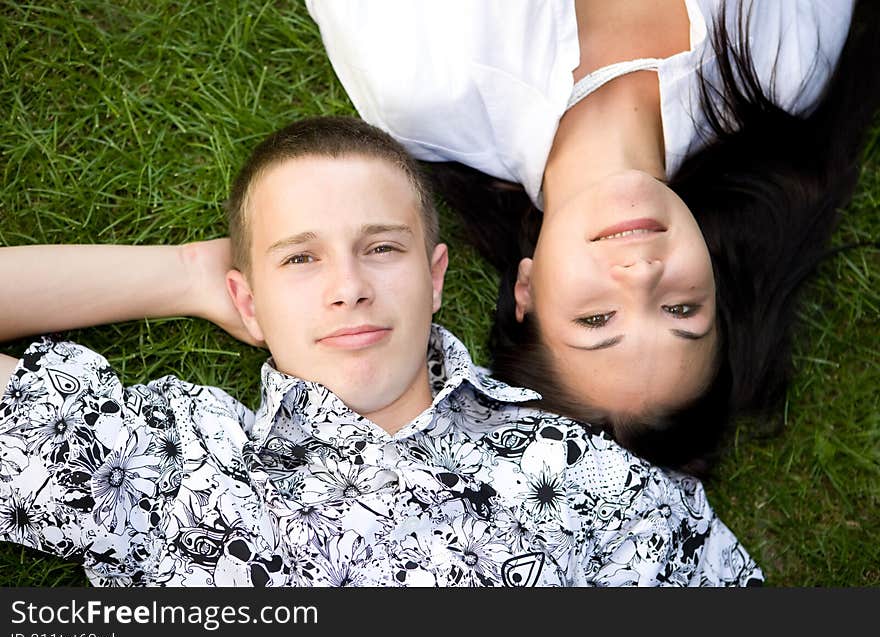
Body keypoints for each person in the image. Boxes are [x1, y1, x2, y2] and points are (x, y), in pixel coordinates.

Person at [0, 116, 762, 586]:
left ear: (435, 280)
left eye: (382, 248)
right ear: (248, 302)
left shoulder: (595, 482)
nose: (348, 287)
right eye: (301, 259)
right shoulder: (167, 470)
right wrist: (182, 275)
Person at [305, 0, 880, 475]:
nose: (641, 275)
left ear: (526, 291)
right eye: (682, 307)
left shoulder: (421, 88)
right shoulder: (785, 69)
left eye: (597, 320)